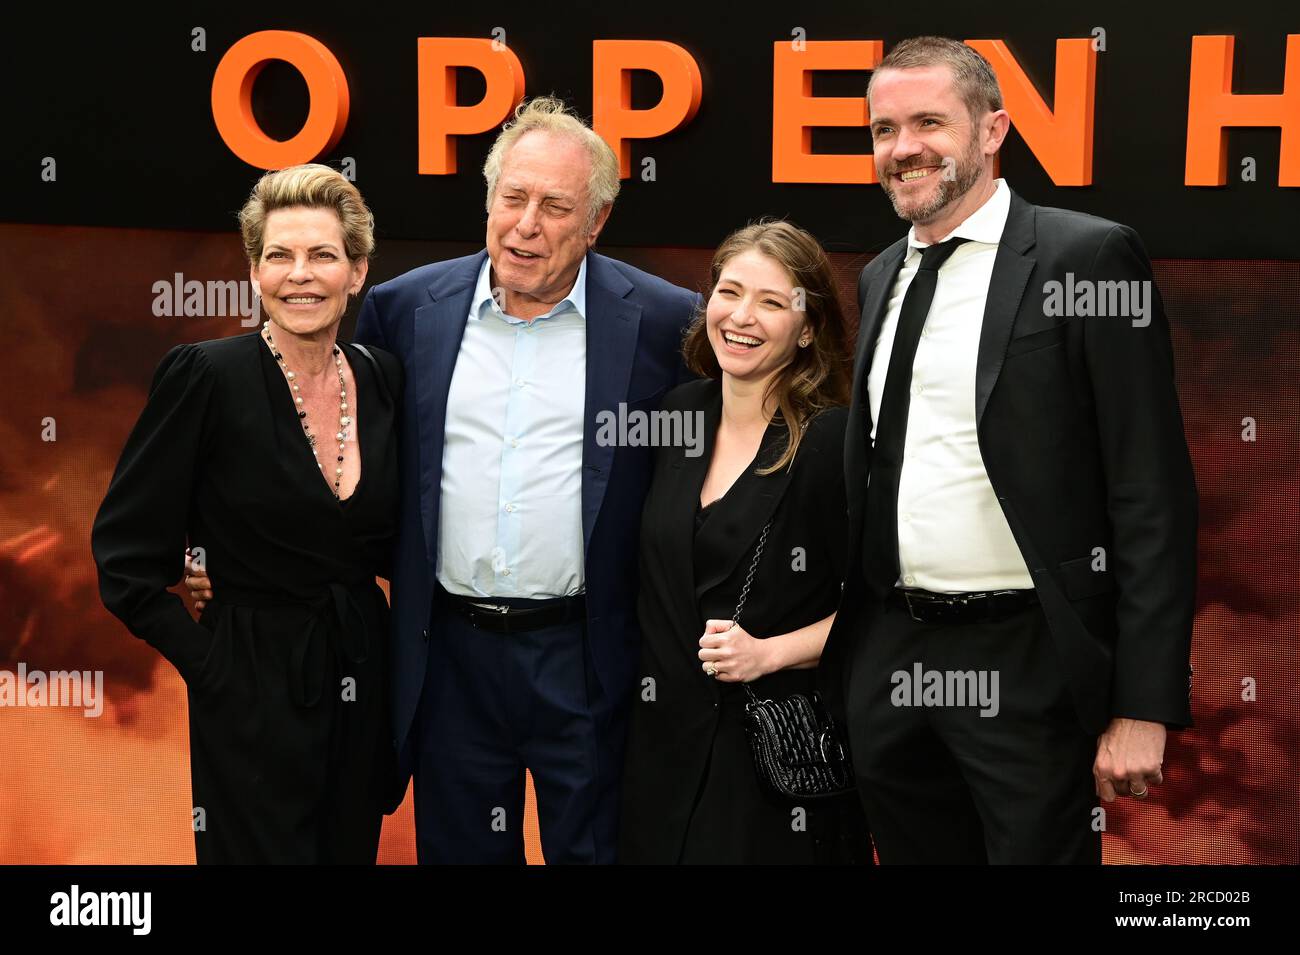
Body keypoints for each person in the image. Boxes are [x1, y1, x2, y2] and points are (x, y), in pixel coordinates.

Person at [820, 36, 1198, 864]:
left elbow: (1151, 491)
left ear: (993, 131)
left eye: (929, 122)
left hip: (1027, 661)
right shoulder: (882, 274)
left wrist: (1144, 702)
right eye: (884, 129)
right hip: (892, 656)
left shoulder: (1087, 255)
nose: (904, 147)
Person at [346, 96, 696, 863]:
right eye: (512, 198)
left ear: (597, 221)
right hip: (451, 659)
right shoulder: (404, 311)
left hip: (590, 655)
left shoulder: (668, 323)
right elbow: (352, 467)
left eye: (554, 206)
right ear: (489, 198)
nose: (526, 225)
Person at [92, 164, 405, 864]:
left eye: (323, 255)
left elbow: (385, 541)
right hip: (252, 686)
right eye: (279, 256)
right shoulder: (207, 375)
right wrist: (214, 666)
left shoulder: (383, 376)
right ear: (255, 273)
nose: (301, 275)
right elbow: (125, 559)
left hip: (358, 678)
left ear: (356, 272)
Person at [618, 221, 870, 864]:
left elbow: (881, 606)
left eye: (772, 301)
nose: (742, 317)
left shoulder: (829, 442)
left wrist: (771, 653)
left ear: (808, 327)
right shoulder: (676, 414)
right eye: (730, 292)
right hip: (659, 758)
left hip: (769, 764)